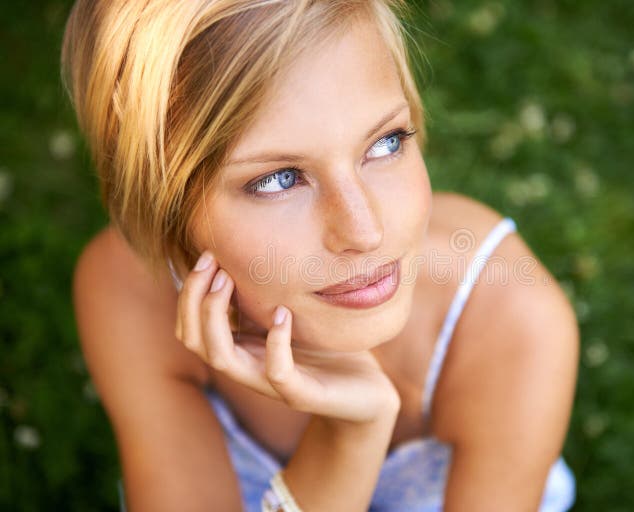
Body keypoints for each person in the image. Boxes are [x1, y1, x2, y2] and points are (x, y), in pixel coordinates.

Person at [64, 1, 579, 510]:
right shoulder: (132, 291)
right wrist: (349, 437)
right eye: (279, 179)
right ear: (163, 203)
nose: (363, 231)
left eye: (385, 142)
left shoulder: (512, 321)